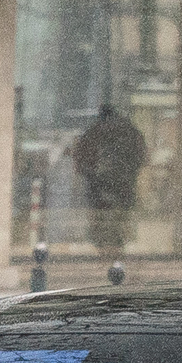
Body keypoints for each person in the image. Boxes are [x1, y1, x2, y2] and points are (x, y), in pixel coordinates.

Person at [71, 105, 148, 258]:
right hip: (122, 186)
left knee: (102, 220)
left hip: (100, 186)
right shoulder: (129, 132)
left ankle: (105, 251)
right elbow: (142, 157)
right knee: (119, 220)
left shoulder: (94, 132)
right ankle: (117, 251)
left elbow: (80, 159)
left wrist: (90, 172)